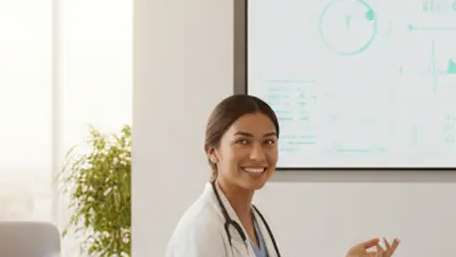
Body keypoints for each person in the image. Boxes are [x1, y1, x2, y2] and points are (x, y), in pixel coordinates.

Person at [165, 94, 401, 257]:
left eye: (268, 142)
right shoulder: (201, 230)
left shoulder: (253, 219)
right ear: (213, 151)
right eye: (243, 141)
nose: (258, 155)